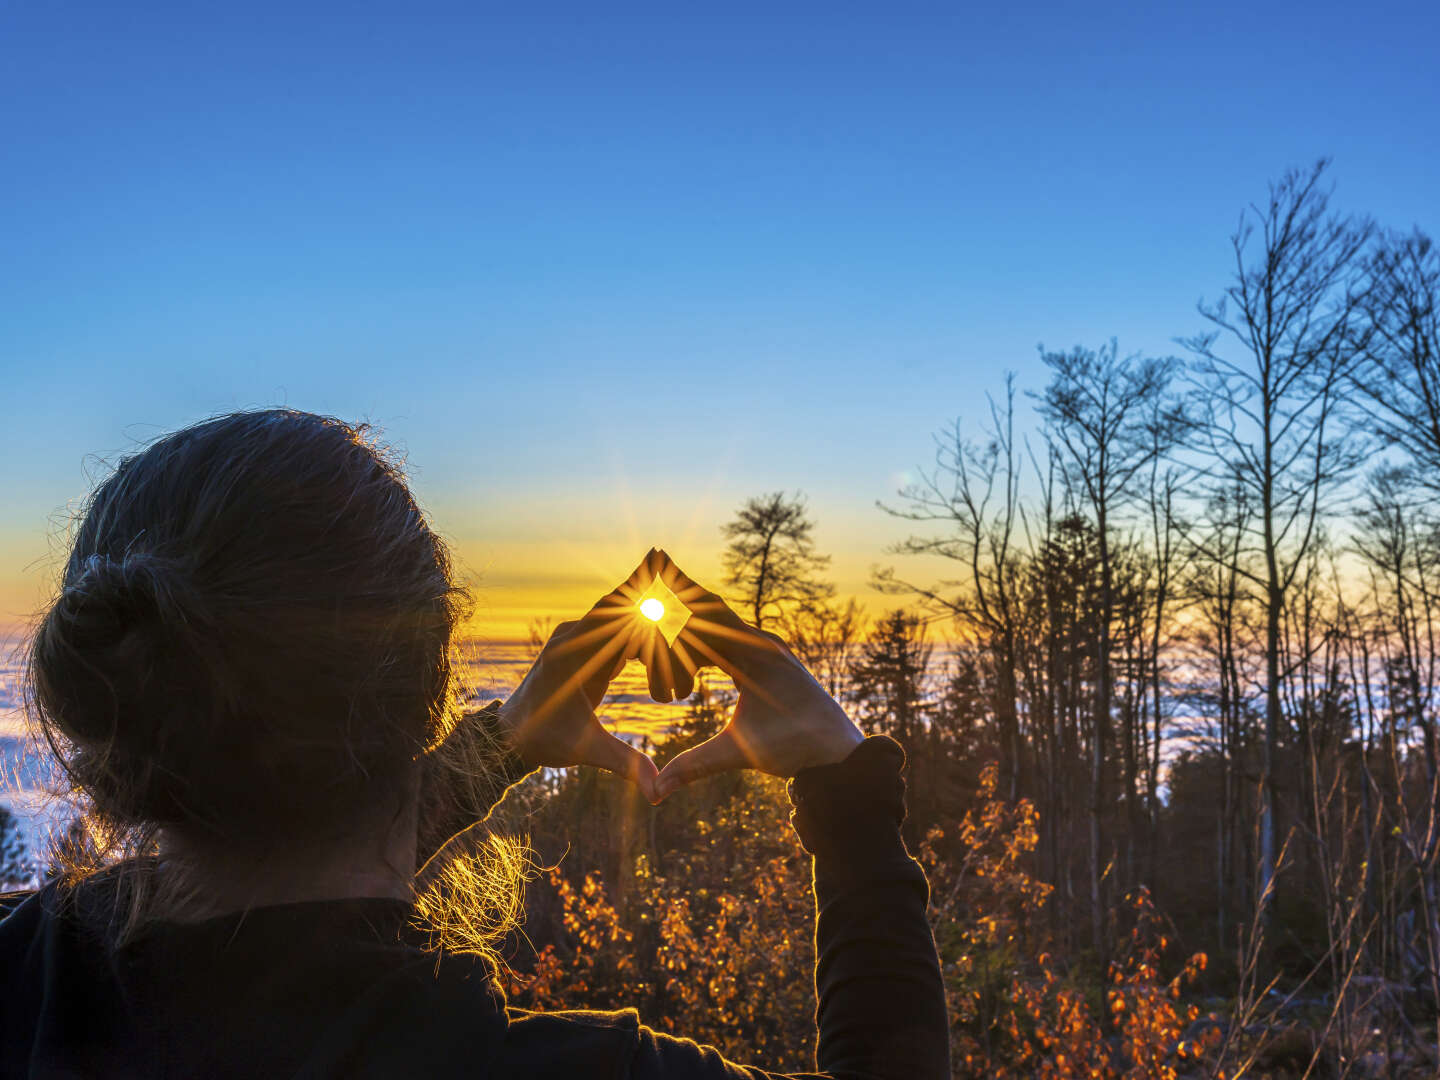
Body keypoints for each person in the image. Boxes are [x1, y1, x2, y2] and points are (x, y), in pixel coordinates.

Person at [0, 409, 949, 1079]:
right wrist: (846, 793)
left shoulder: (27, 984)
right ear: (421, 692)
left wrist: (493, 753)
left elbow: (276, 923)